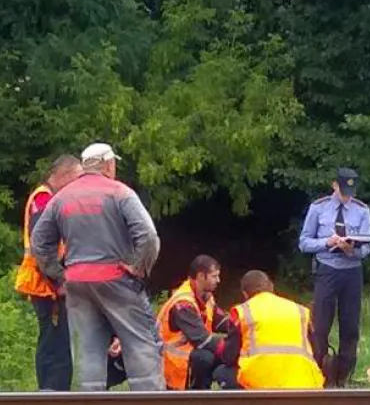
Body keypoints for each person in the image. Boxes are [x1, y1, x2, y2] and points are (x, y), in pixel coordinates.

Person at [30, 142, 165, 391]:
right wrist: (139, 266)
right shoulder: (120, 192)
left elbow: (39, 242)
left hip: (77, 284)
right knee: (142, 345)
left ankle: (90, 398)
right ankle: (149, 398)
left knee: (90, 351)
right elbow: (148, 236)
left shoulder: (61, 199)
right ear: (109, 164)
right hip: (117, 279)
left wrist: (60, 276)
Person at [298, 167, 370, 387]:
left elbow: (368, 245)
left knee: (350, 325)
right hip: (327, 269)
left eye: (351, 191)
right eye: (343, 190)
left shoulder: (362, 210)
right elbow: (304, 242)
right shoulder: (319, 208)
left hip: (351, 270)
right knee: (321, 324)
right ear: (334, 185)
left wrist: (353, 250)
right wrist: (326, 243)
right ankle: (318, 372)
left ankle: (344, 376)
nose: (347, 196)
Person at [14, 154, 83, 391]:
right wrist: (58, 281)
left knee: (59, 342)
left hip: (48, 280)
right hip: (45, 283)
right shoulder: (44, 199)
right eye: (76, 179)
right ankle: (51, 393)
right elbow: (41, 244)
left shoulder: (49, 198)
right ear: (63, 176)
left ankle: (55, 392)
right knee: (54, 345)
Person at [216, 270, 326, 390]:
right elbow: (317, 352)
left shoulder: (244, 312)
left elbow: (229, 356)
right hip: (303, 383)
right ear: (271, 287)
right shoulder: (300, 311)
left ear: (245, 294)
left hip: (258, 384)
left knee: (222, 372)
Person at [156, 255, 232, 389]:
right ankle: (197, 396)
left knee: (213, 357)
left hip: (189, 356)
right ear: (201, 276)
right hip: (173, 362)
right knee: (205, 357)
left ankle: (204, 394)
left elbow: (222, 321)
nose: (218, 280)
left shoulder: (205, 297)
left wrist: (242, 327)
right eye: (214, 276)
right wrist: (233, 349)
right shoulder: (183, 304)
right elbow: (202, 340)